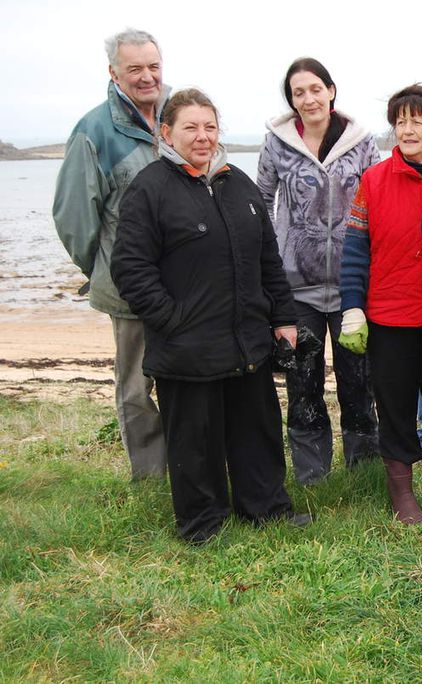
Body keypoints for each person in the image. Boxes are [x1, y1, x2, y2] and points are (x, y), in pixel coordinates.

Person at [111, 89, 310, 543]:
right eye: (190, 127)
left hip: (247, 340)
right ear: (167, 133)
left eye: (209, 127)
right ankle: (203, 524)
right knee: (195, 442)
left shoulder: (237, 183)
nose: (202, 137)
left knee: (256, 431)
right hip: (187, 347)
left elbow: (268, 260)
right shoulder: (150, 189)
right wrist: (173, 318)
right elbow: (130, 268)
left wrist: (283, 318)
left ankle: (266, 509)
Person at [338, 85, 422, 524]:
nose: (406, 129)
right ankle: (402, 494)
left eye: (417, 121)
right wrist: (352, 307)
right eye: (400, 121)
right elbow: (355, 250)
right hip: (391, 314)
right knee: (394, 404)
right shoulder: (374, 180)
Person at [257, 58, 381, 484]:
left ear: (331, 90)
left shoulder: (362, 142)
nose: (308, 98)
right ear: (291, 101)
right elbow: (261, 201)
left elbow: (376, 203)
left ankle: (363, 471)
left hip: (351, 287)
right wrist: (268, 264)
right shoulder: (276, 142)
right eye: (298, 92)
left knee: (357, 382)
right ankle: (313, 476)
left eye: (315, 89)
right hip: (296, 286)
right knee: (303, 384)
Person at [52, 28, 168, 480]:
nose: (146, 77)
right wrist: (104, 267)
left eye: (153, 66)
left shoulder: (179, 115)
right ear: (114, 72)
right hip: (129, 291)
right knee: (137, 387)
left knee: (188, 380)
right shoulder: (93, 130)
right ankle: (151, 477)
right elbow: (74, 217)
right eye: (134, 68)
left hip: (186, 287)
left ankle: (190, 467)